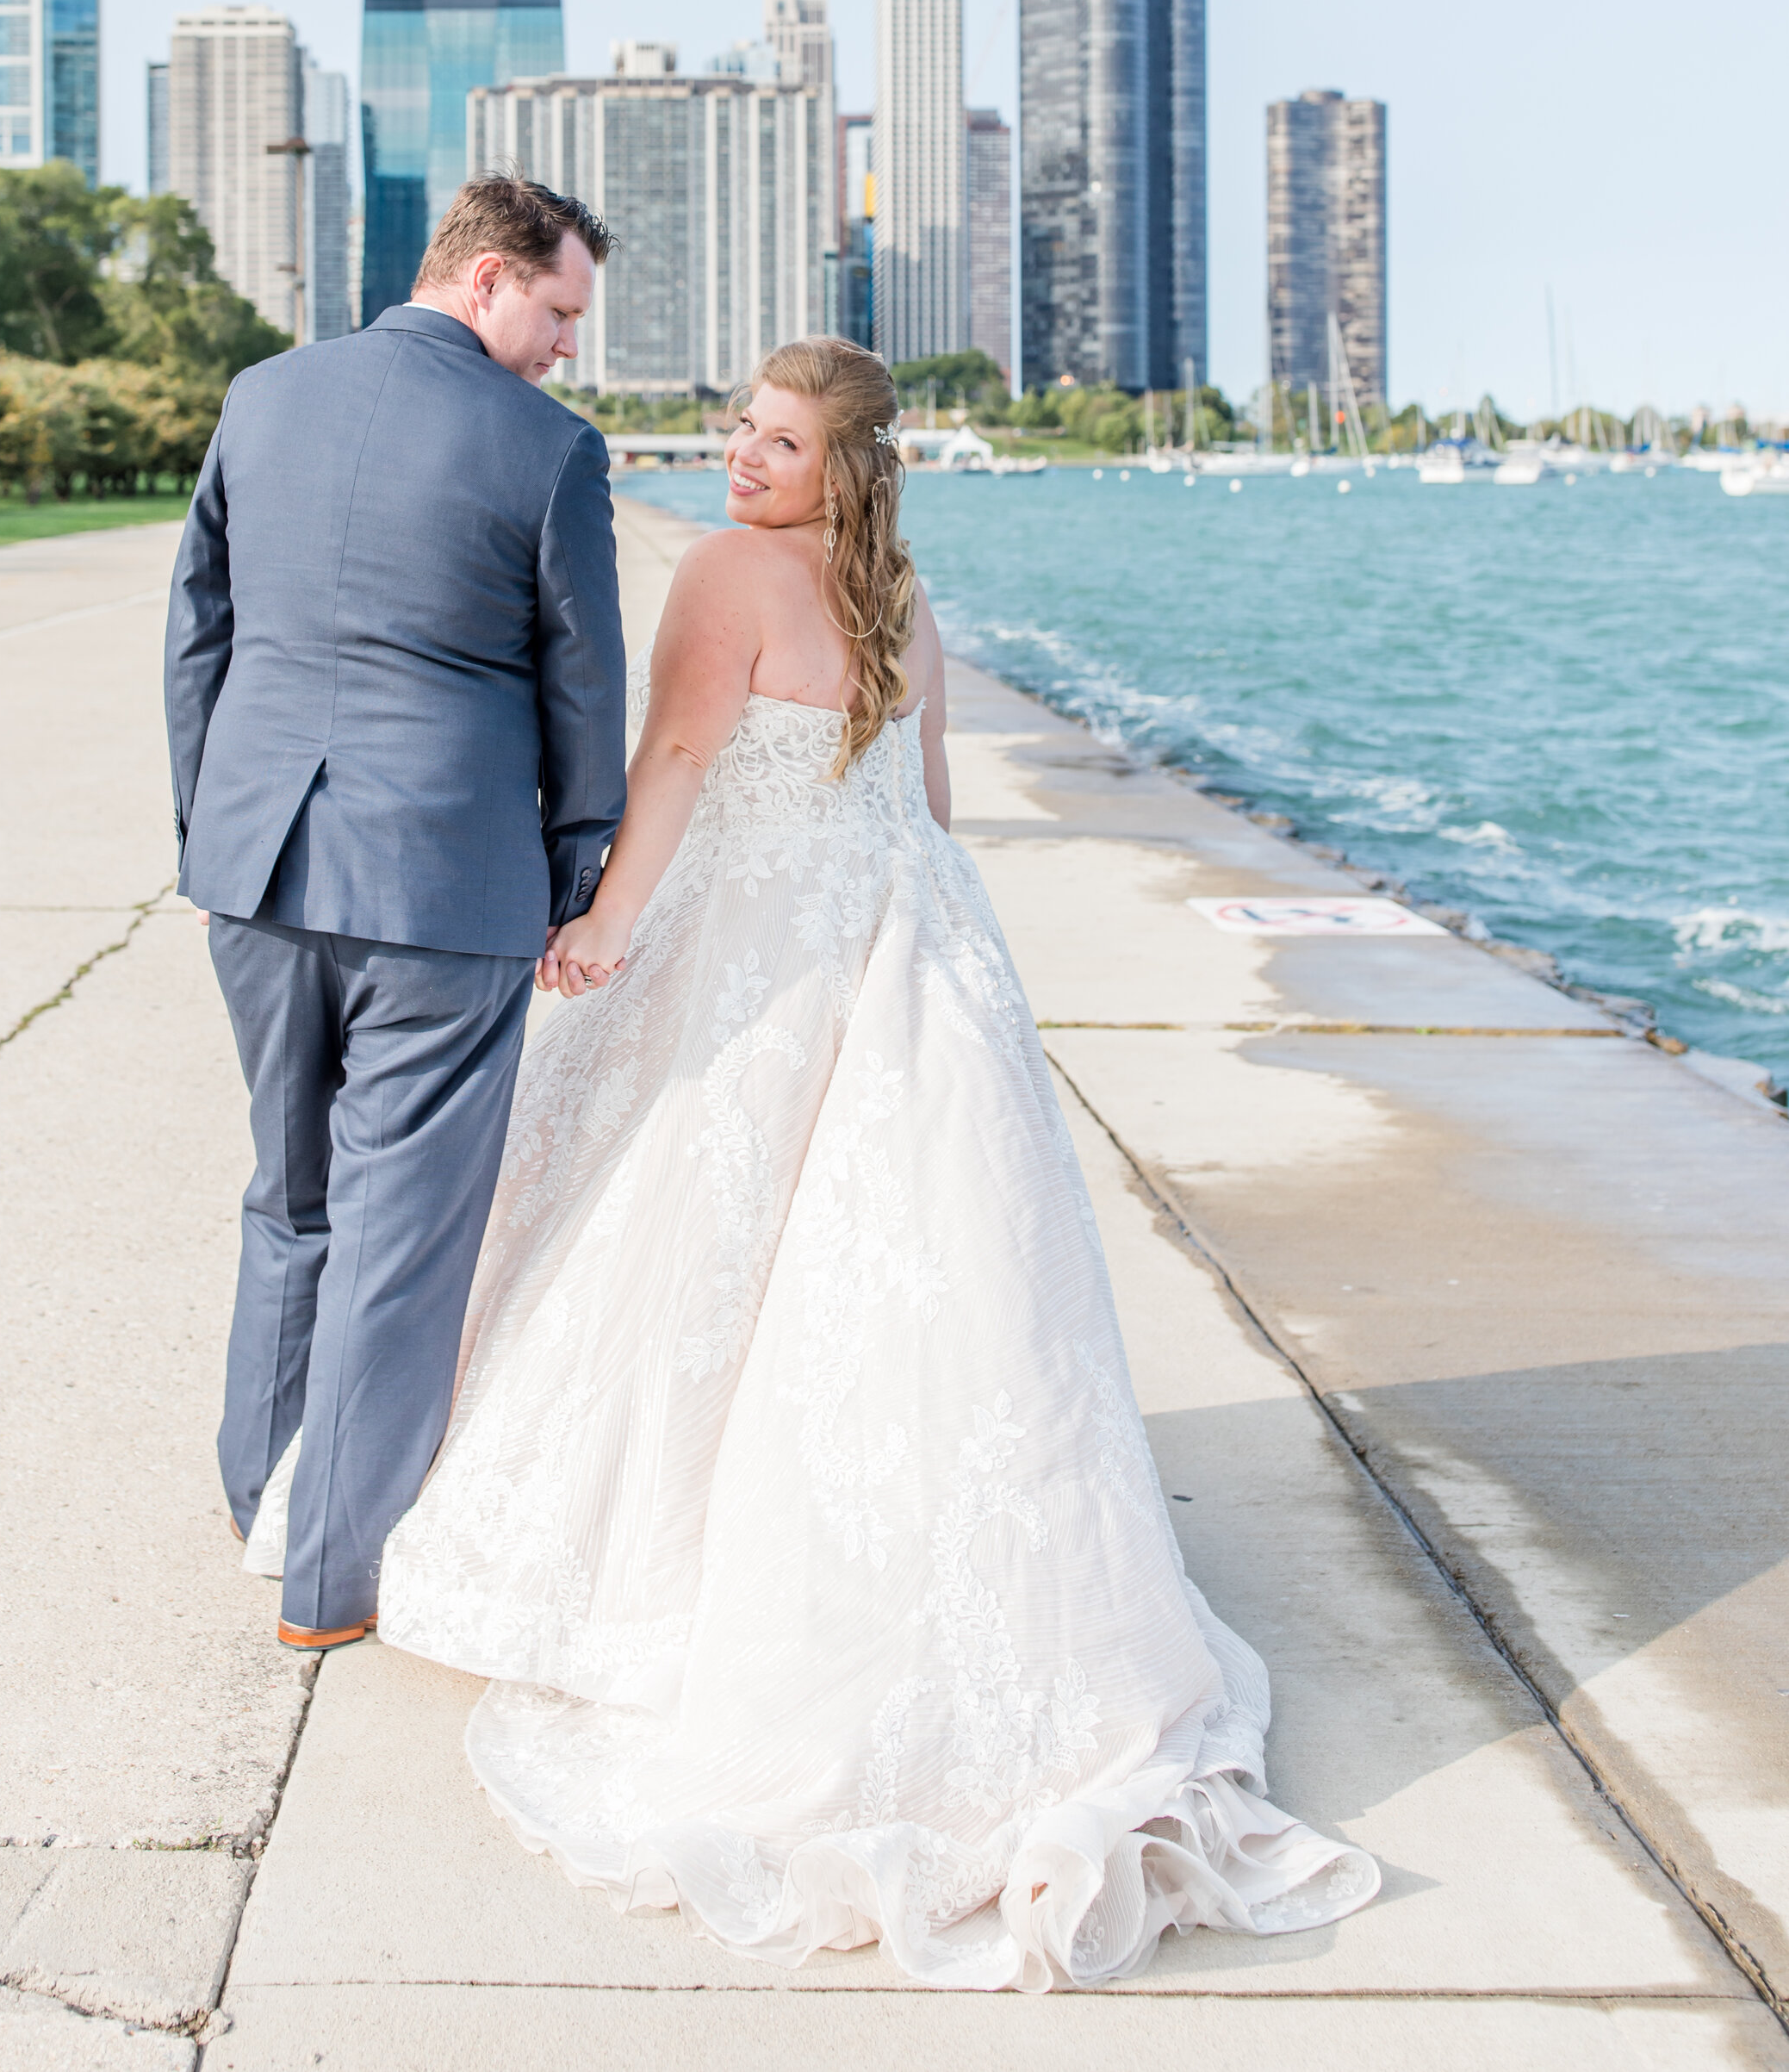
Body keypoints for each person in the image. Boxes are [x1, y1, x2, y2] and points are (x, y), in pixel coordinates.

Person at [378, 334, 1379, 1987]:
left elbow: (681, 766)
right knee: (905, 1274)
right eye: (738, 429)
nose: (739, 455)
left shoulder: (722, 575)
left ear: (837, 466)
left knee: (688, 1232)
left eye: (775, 441)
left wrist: (605, 932)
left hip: (760, 949)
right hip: (907, 948)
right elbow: (923, 808)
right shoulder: (908, 603)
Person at [165, 177, 627, 1652]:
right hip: (445, 885)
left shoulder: (266, 393)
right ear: (488, 277)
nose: (567, 347)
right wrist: (577, 873)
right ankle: (334, 1577)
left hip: (259, 868)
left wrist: (210, 840)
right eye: (558, 311)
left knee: (288, 1190)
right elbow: (582, 690)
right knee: (405, 1234)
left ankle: (262, 1505)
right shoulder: (550, 451)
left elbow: (200, 633)